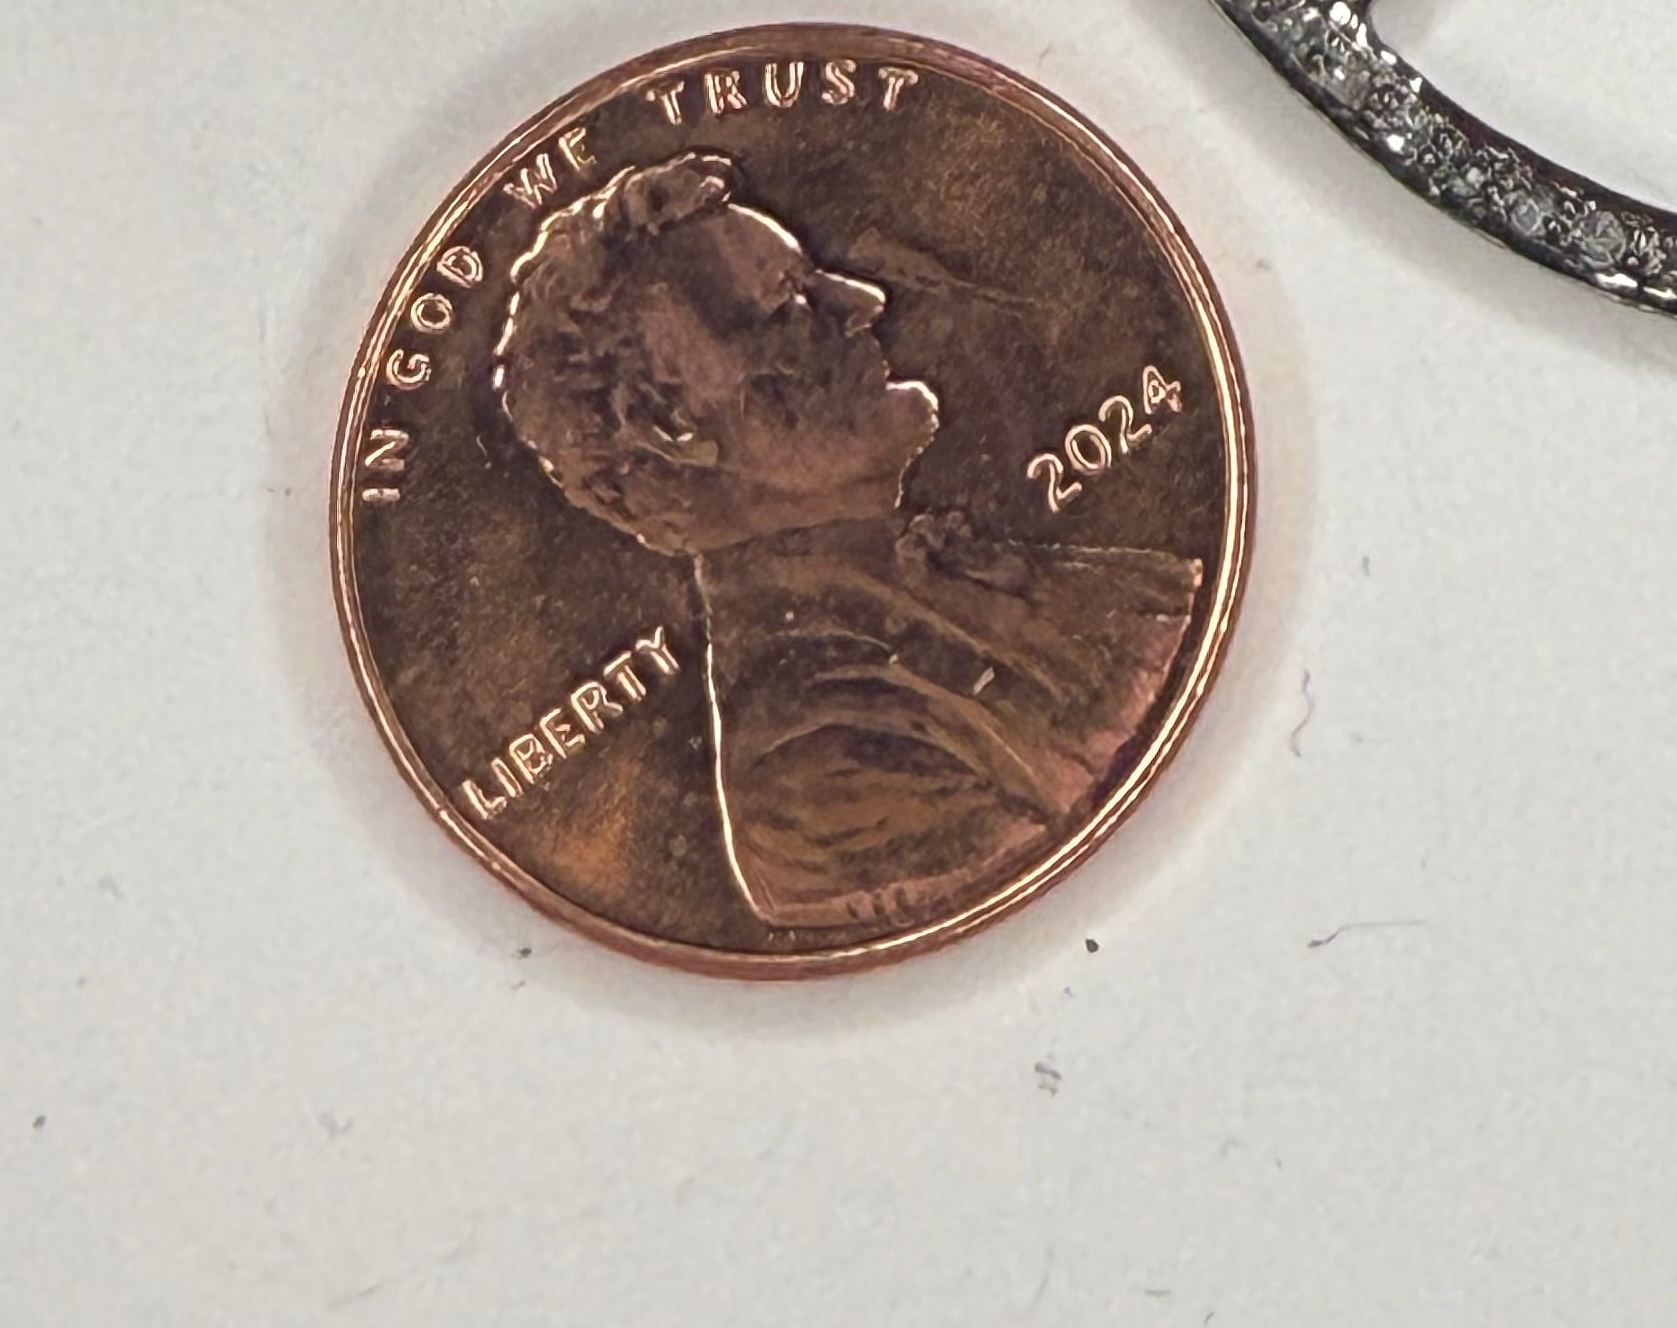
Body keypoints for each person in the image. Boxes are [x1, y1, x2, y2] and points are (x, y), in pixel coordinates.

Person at [494, 151, 1201, 936]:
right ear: (671, 427)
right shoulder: (808, 782)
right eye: (788, 303)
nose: (863, 301)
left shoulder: (947, 574)